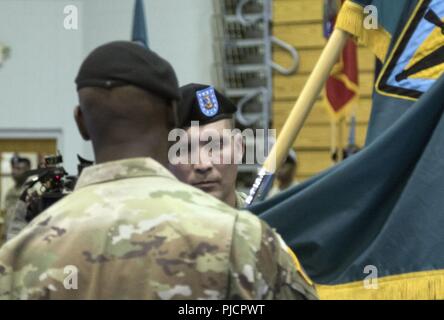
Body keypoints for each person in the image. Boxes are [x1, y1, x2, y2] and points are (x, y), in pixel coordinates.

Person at [0, 41, 317, 300]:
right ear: (168, 121)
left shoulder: (20, 254)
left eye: (215, 146)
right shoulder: (242, 239)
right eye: (187, 147)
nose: (203, 163)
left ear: (81, 122)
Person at [169, 83, 247, 209]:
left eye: (215, 146)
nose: (203, 165)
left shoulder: (269, 223)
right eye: (185, 149)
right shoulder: (149, 227)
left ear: (239, 148)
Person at [1, 156, 30, 242]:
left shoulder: (32, 191)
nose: (14, 171)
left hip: (23, 238)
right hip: (8, 238)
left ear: (28, 171)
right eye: (13, 168)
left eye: (18, 168)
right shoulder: (10, 191)